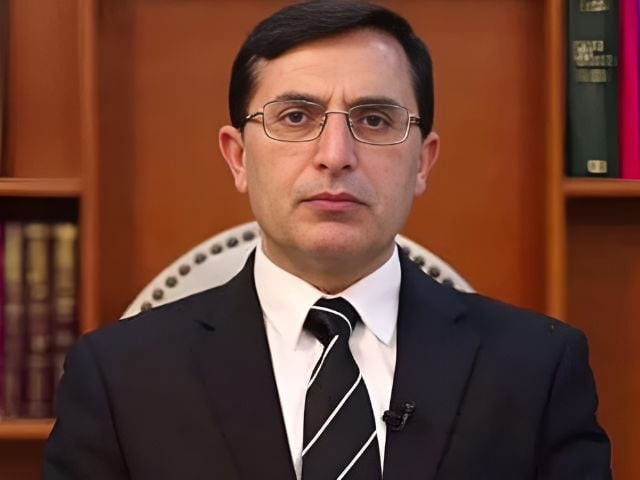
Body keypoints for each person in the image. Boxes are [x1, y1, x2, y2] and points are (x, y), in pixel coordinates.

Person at [43, 1, 611, 479]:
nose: (335, 156)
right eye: (295, 117)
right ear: (238, 158)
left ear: (423, 161)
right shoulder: (120, 377)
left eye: (374, 120)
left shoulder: (537, 369)